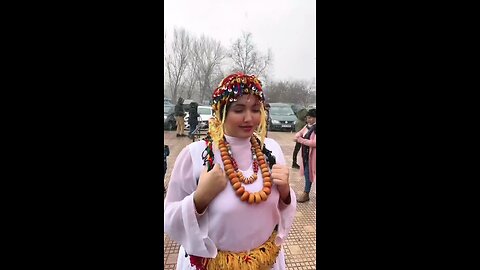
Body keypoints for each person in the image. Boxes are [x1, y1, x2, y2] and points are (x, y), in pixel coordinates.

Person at [164, 73, 297, 270]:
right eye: (239, 109)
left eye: (255, 109)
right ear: (221, 112)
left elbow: (280, 208)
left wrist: (286, 193)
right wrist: (198, 200)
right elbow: (169, 217)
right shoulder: (196, 155)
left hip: (266, 262)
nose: (249, 118)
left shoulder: (270, 149)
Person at [294, 109, 316, 203]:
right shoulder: (307, 127)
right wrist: (298, 137)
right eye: (307, 117)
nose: (308, 119)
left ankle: (306, 193)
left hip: (314, 157)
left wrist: (301, 140)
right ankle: (306, 193)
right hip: (308, 156)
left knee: (310, 173)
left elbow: (314, 143)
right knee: (308, 174)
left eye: (310, 117)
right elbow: (297, 135)